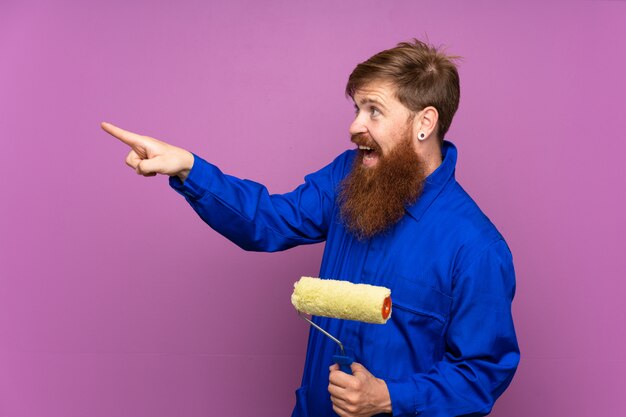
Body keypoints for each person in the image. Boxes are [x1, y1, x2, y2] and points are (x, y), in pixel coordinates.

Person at [102, 39, 519, 417]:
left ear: (424, 123)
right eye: (356, 109)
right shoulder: (347, 176)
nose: (355, 126)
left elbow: (482, 372)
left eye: (373, 110)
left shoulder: (477, 248)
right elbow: (268, 221)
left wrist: (390, 397)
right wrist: (190, 168)